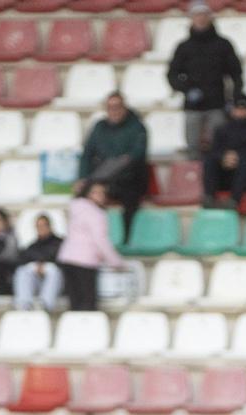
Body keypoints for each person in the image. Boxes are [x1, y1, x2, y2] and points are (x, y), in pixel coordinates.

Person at [167, 0, 243, 157]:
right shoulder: (184, 47)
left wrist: (235, 99)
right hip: (193, 107)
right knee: (193, 148)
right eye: (196, 15)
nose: (200, 19)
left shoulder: (223, 45)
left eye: (203, 15)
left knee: (219, 146)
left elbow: (236, 73)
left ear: (210, 17)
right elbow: (172, 74)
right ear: (191, 18)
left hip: (217, 104)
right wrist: (186, 90)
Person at [79, 92, 149, 237]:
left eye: (117, 107)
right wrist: (83, 177)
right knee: (83, 194)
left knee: (130, 199)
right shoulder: (100, 127)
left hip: (130, 179)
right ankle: (87, 236)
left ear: (124, 107)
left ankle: (126, 238)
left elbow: (136, 156)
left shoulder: (137, 127)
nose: (114, 111)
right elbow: (87, 154)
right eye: (110, 107)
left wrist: (116, 165)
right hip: (104, 178)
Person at [57, 179, 124, 314]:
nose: (100, 195)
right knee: (88, 304)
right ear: (87, 193)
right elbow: (101, 240)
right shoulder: (96, 213)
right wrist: (116, 261)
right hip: (85, 261)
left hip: (67, 258)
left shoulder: (75, 206)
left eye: (102, 192)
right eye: (95, 192)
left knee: (75, 304)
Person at [202, 95, 246, 209]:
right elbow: (213, 151)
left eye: (244, 109)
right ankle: (209, 197)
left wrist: (238, 157)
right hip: (225, 176)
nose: (240, 112)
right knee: (210, 160)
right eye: (237, 109)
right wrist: (224, 158)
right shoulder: (222, 130)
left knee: (245, 161)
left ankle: (234, 200)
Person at [12, 212, 64, 311]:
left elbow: (62, 262)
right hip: (37, 282)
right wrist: (37, 266)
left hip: (57, 282)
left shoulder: (61, 243)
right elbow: (22, 261)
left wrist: (43, 266)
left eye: (43, 225)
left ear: (50, 226)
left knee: (52, 270)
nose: (41, 228)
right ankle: (23, 304)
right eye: (38, 226)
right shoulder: (32, 246)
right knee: (23, 271)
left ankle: (45, 305)